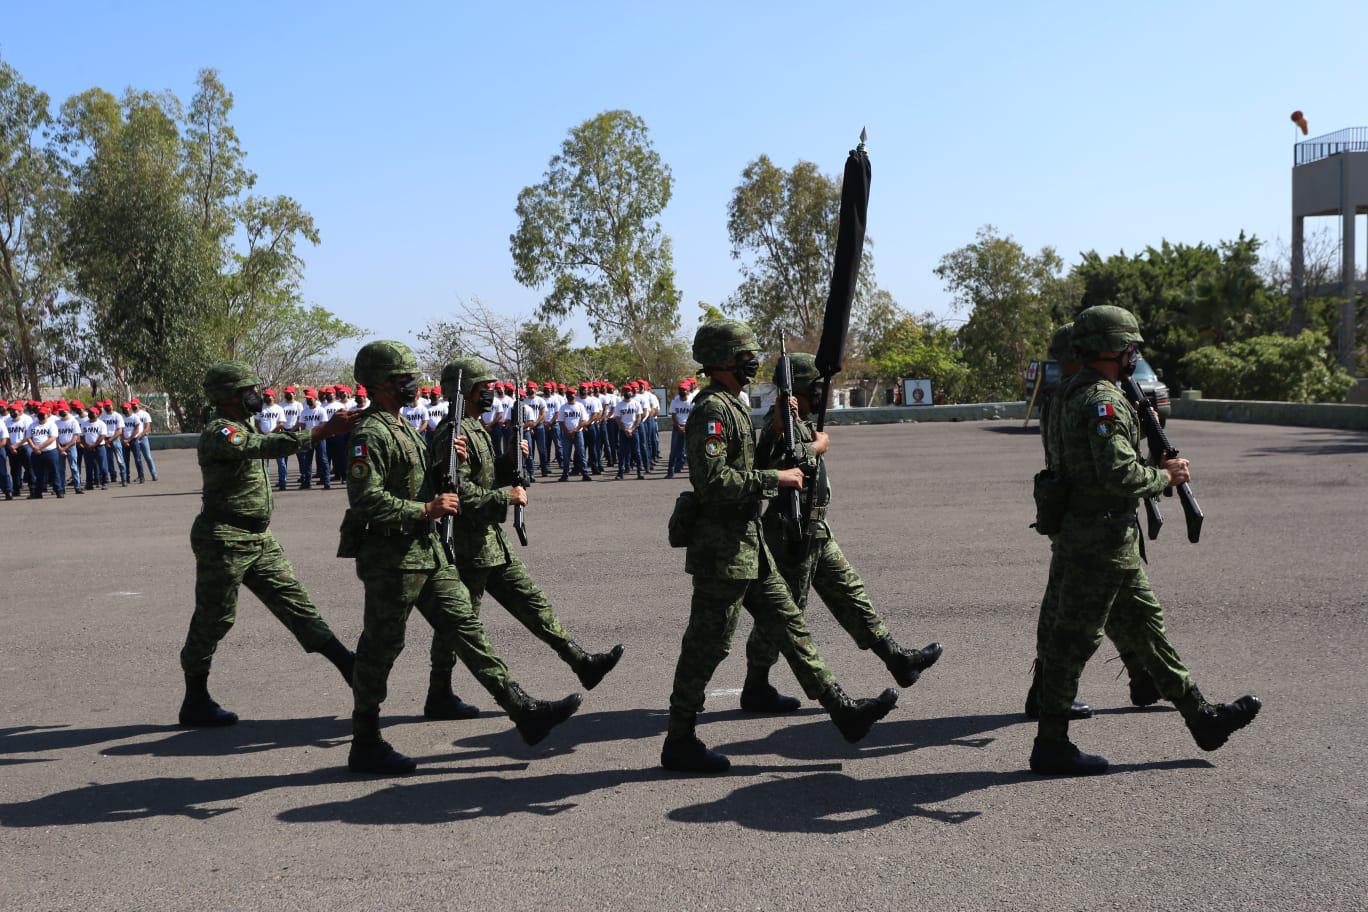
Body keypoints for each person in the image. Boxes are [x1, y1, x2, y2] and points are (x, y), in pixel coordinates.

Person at [1030, 305, 1262, 776]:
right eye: (1131, 347)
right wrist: (1165, 476)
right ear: (1113, 349)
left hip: (1091, 536)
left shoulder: (1068, 395)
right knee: (1072, 642)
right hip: (1100, 541)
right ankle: (1051, 744)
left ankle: (1203, 719)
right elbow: (1118, 473)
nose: (1135, 355)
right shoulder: (1104, 401)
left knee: (1148, 633)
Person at [660, 319, 898, 774]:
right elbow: (712, 483)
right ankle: (680, 739)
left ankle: (842, 711)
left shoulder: (733, 405)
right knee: (707, 647)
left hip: (748, 542)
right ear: (723, 359)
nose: (754, 361)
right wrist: (776, 479)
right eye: (746, 353)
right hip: (722, 551)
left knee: (791, 626)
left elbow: (758, 459)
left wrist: (780, 435)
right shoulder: (711, 410)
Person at [342, 341, 581, 775]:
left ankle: (521, 709)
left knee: (466, 629)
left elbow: (425, 482)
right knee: (380, 649)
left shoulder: (404, 427)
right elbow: (366, 500)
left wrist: (450, 470)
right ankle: (365, 740)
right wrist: (425, 510)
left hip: (427, 553)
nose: (411, 384)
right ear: (378, 384)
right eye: (402, 378)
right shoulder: (369, 433)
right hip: (390, 559)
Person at [739, 352, 943, 711]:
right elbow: (776, 465)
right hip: (791, 533)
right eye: (814, 387)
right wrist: (815, 446)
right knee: (786, 615)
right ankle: (756, 686)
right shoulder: (780, 424)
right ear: (798, 389)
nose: (820, 393)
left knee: (850, 592)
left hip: (817, 527)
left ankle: (897, 659)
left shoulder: (799, 420)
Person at [422, 357, 625, 718]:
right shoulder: (451, 433)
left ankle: (581, 662)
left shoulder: (474, 426)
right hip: (467, 547)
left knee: (533, 604)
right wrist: (506, 497)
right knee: (460, 626)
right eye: (484, 387)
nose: (491, 393)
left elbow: (483, 478)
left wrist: (509, 462)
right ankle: (439, 694)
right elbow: (458, 493)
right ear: (466, 390)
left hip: (490, 542)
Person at [178, 361, 359, 728]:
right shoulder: (221, 431)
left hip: (258, 537)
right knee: (214, 620)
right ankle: (195, 698)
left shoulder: (242, 424)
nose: (255, 396)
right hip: (224, 539)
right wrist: (322, 431)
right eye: (247, 391)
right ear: (227, 397)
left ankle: (350, 667)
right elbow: (265, 446)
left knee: (297, 604)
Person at [1024, 324, 1155, 722]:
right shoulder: (1085, 397)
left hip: (1065, 512)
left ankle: (1140, 677)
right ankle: (1142, 679)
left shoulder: (1060, 395)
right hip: (1092, 519)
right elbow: (1108, 465)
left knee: (1082, 608)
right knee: (1093, 614)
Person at [556, 386, 592, 482]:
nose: (569, 396)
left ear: (575, 395)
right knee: (566, 455)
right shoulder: (563, 407)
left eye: (571, 394)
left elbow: (584, 420)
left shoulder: (580, 406)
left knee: (581, 453)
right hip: (566, 434)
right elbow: (561, 421)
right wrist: (567, 431)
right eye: (568, 394)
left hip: (578, 433)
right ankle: (565, 474)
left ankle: (585, 474)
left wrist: (575, 430)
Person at [26, 406, 62, 498]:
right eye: (39, 414)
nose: (41, 415)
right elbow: (28, 437)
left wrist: (40, 447)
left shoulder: (51, 425)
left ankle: (58, 491)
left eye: (43, 414)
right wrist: (34, 447)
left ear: (47, 415)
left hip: (50, 452)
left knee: (54, 472)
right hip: (36, 453)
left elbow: (52, 438)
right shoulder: (32, 425)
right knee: (38, 473)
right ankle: (38, 493)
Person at [298, 389, 330, 490]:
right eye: (307, 399)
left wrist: (317, 434)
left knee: (323, 459)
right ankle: (307, 482)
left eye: (310, 398)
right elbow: (302, 425)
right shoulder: (304, 411)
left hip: (319, 438)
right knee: (307, 461)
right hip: (308, 438)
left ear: (315, 398)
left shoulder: (321, 410)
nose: (308, 400)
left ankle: (326, 482)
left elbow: (323, 424)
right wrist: (303, 436)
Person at [614, 383, 646, 480]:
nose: (627, 393)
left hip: (634, 431)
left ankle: (639, 472)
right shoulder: (619, 405)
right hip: (623, 431)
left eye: (629, 391)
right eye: (625, 391)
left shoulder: (636, 403)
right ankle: (620, 473)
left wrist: (632, 429)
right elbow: (618, 419)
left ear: (631, 392)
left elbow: (639, 417)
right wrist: (625, 429)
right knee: (622, 452)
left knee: (637, 451)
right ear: (623, 393)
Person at [278, 386, 303, 490]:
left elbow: (300, 419)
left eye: (290, 393)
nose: (288, 394)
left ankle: (303, 476)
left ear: (294, 394)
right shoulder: (281, 405)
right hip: (284, 431)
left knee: (300, 455)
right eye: (286, 393)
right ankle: (283, 479)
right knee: (284, 457)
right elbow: (279, 420)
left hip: (295, 431)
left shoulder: (298, 405)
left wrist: (294, 429)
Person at [55, 402, 83, 494]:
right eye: (60, 411)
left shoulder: (73, 421)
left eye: (62, 411)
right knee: (61, 468)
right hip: (60, 446)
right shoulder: (57, 422)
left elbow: (75, 436)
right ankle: (62, 487)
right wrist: (59, 447)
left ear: (67, 410)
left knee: (74, 467)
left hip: (71, 446)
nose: (60, 413)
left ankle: (77, 486)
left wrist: (66, 447)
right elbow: (56, 436)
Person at [79, 405, 110, 490]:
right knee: (88, 466)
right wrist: (86, 445)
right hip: (87, 448)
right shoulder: (84, 424)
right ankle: (89, 484)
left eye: (92, 413)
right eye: (89, 413)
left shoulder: (101, 424)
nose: (90, 414)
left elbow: (102, 436)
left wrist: (94, 445)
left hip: (99, 447)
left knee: (103, 466)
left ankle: (104, 482)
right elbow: (82, 436)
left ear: (97, 414)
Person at [665, 382, 692, 478]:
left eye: (684, 390)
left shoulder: (691, 402)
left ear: (688, 391)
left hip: (689, 428)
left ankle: (692, 473)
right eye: (680, 389)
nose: (682, 391)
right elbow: (673, 415)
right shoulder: (675, 402)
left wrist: (686, 427)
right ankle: (670, 471)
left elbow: (693, 416)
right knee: (674, 450)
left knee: (690, 451)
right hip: (677, 428)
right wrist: (678, 426)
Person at [98, 401, 127, 486]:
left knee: (120, 460)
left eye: (109, 405)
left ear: (112, 405)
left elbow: (120, 431)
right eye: (106, 406)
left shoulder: (117, 416)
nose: (108, 407)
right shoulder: (102, 417)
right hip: (105, 439)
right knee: (107, 460)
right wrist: (105, 440)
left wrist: (110, 440)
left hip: (115, 439)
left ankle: (124, 479)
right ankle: (109, 478)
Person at [131, 398, 159, 482]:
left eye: (134, 404)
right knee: (137, 458)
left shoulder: (145, 414)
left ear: (138, 404)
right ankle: (140, 475)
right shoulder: (131, 415)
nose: (133, 406)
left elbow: (147, 428)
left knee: (148, 457)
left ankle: (154, 474)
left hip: (143, 438)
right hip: (134, 440)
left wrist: (139, 435)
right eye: (132, 404)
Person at [0, 404, 10, 500]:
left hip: (0, 449)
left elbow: (4, 440)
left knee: (3, 472)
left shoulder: (1, 423)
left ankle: (7, 491)